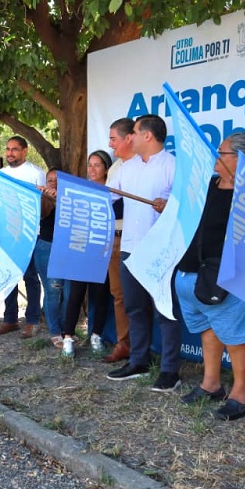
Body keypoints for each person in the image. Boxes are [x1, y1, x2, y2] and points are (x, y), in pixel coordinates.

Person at [175, 132, 245, 420]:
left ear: (241, 159)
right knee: (208, 329)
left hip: (232, 277)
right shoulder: (207, 185)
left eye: (221, 153)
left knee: (237, 338)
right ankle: (211, 384)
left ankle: (242, 394)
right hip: (196, 272)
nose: (215, 157)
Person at [105, 115, 182, 393]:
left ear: (147, 135)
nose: (130, 138)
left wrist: (170, 204)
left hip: (161, 251)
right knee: (135, 308)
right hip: (130, 249)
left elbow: (188, 207)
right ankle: (139, 360)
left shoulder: (173, 166)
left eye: (134, 133)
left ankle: (170, 370)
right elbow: (109, 197)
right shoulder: (127, 168)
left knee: (165, 310)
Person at [60, 152, 113, 359]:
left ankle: (96, 335)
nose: (92, 170)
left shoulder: (113, 192)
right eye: (89, 165)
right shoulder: (80, 191)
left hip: (103, 251)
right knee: (75, 295)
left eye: (97, 165)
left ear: (106, 168)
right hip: (82, 249)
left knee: (100, 296)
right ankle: (68, 337)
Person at [0, 136, 46, 338]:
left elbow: (42, 205)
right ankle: (10, 319)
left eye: (14, 149)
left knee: (31, 278)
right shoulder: (0, 174)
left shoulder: (36, 174)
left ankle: (32, 320)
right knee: (9, 278)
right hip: (7, 235)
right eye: (7, 149)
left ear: (25, 151)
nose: (9, 153)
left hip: (30, 235)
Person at [103, 118, 134, 363]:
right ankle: (124, 343)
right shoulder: (115, 168)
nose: (110, 144)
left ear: (128, 138)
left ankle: (145, 346)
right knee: (119, 294)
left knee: (142, 296)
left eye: (113, 138)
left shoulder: (147, 166)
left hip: (141, 241)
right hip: (116, 239)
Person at [33, 168, 64, 347]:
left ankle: (67, 330)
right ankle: (55, 332)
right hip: (46, 247)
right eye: (50, 180)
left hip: (67, 249)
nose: (53, 182)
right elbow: (42, 212)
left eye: (57, 180)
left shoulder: (70, 199)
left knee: (67, 292)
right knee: (52, 290)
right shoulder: (42, 199)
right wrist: (49, 196)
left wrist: (60, 197)